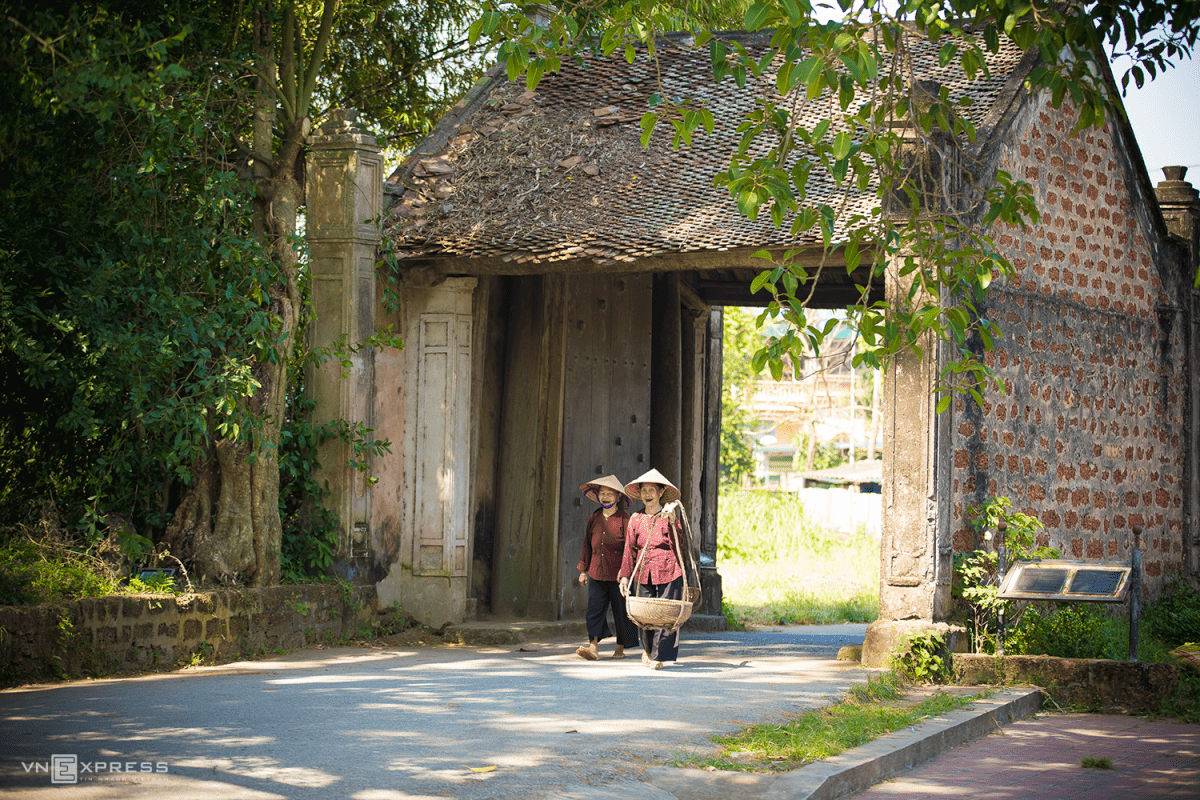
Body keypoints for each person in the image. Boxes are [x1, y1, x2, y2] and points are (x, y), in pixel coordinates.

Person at [618, 468, 694, 670]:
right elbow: (629, 549)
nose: (648, 494)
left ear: (661, 492)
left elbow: (679, 541)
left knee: (666, 615)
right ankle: (649, 650)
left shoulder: (669, 516)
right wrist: (625, 577)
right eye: (644, 490)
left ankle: (659, 656)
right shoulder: (635, 518)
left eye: (652, 490)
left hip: (669, 569)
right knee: (645, 615)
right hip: (644, 571)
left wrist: (670, 519)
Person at [575, 475, 640, 661]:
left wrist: (626, 571)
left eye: (609, 493)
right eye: (602, 493)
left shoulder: (624, 518)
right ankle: (593, 647)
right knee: (594, 610)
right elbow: (587, 544)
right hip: (596, 571)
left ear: (618, 497)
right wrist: (582, 570)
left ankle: (620, 646)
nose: (605, 496)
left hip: (619, 575)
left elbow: (630, 547)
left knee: (621, 612)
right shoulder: (594, 517)